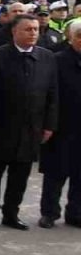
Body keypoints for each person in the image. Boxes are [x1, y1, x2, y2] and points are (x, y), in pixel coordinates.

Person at [0, 15, 58, 230]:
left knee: (20, 175)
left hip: (32, 128)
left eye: (35, 29)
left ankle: (11, 213)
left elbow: (53, 94)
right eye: (28, 29)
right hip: (1, 126)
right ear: (14, 32)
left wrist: (49, 125)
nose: (33, 33)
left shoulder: (47, 57)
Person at [39, 21, 81, 227]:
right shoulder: (57, 60)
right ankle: (49, 213)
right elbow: (48, 94)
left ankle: (76, 213)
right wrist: (48, 123)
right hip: (61, 126)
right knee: (55, 173)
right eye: (79, 36)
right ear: (70, 39)